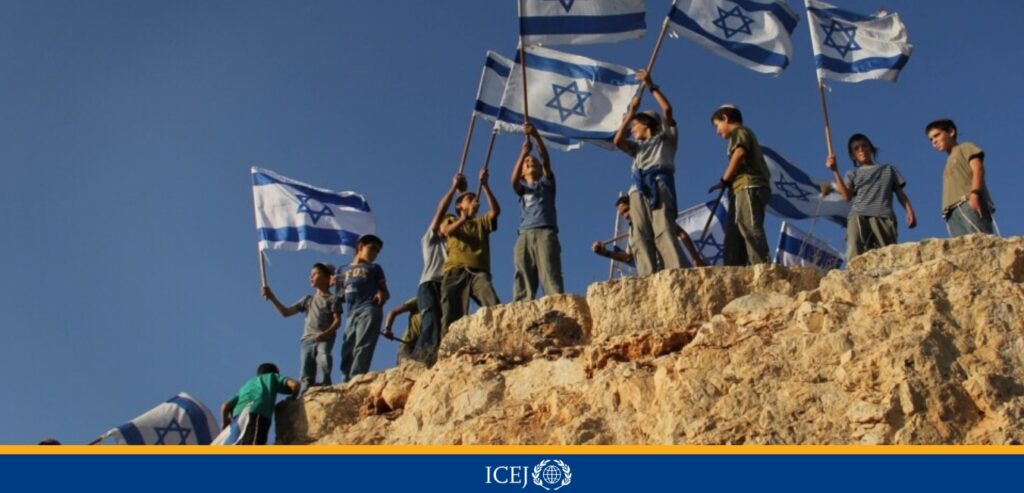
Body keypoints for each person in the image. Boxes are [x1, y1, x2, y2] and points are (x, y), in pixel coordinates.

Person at [612, 69, 687, 276]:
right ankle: (647, 274)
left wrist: (651, 84)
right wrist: (629, 115)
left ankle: (674, 271)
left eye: (635, 125)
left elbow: (668, 110)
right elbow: (617, 141)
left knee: (662, 226)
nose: (632, 129)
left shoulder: (666, 139)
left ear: (647, 125)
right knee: (640, 233)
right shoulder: (637, 148)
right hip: (638, 189)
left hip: (659, 182)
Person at [826, 134, 917, 260]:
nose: (861, 150)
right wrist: (835, 171)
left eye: (864, 146)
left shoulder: (888, 169)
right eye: (856, 148)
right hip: (858, 215)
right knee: (855, 252)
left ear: (871, 148)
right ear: (852, 155)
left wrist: (909, 211)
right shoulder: (852, 173)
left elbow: (900, 194)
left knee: (886, 255)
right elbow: (846, 196)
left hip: (883, 216)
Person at [439, 167, 501, 334]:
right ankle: (448, 348)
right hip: (455, 271)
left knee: (492, 301)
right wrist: (464, 219)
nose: (474, 201)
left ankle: (500, 332)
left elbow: (495, 211)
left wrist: (486, 186)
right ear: (459, 205)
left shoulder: (481, 223)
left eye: (475, 199)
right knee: (452, 314)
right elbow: (446, 231)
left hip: (478, 272)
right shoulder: (451, 218)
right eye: (469, 198)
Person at [262, 263, 341, 390]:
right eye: (311, 274)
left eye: (315, 274)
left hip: (325, 337)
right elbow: (286, 312)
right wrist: (272, 297)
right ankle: (306, 392)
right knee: (306, 369)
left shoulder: (332, 299)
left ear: (327, 278)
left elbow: (337, 321)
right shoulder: (308, 300)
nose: (311, 277)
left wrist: (326, 333)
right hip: (307, 339)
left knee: (324, 359)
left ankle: (325, 386)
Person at [709, 104, 771, 266]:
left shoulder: (740, 132)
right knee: (744, 226)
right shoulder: (742, 133)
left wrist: (724, 179)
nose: (717, 131)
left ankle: (763, 266)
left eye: (717, 125)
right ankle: (755, 264)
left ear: (725, 118)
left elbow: (739, 153)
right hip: (747, 187)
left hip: (748, 185)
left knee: (750, 226)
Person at [414, 173, 464, 366]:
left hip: (445, 287)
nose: (451, 224)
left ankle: (434, 359)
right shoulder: (431, 241)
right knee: (432, 322)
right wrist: (454, 189)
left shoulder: (455, 247)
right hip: (429, 285)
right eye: (448, 222)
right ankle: (419, 361)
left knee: (446, 326)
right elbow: (441, 210)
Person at [510, 122, 564, 301]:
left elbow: (546, 160)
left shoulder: (546, 184)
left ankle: (555, 302)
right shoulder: (523, 188)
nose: (530, 162)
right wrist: (523, 153)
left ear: (541, 169)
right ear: (522, 172)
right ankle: (522, 307)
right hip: (524, 233)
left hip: (545, 231)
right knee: (523, 273)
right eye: (526, 163)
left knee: (549, 271)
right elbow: (513, 181)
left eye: (534, 162)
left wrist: (536, 136)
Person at [925, 118, 996, 236]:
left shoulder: (965, 147)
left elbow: (978, 169)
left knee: (980, 241)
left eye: (937, 135)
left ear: (951, 132)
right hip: (951, 212)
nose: (934, 141)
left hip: (967, 202)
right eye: (931, 139)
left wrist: (975, 194)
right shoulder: (947, 162)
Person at [592, 196, 706, 268]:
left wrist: (696, 258)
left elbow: (681, 233)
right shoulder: (632, 232)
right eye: (622, 214)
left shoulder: (655, 218)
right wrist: (605, 253)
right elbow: (628, 257)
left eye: (627, 210)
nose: (626, 216)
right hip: (656, 276)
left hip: (675, 267)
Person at [336, 234, 389, 381]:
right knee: (347, 347)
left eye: (378, 251)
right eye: (372, 249)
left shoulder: (374, 268)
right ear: (360, 247)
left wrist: (381, 292)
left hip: (369, 308)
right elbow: (340, 298)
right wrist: (332, 284)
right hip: (351, 313)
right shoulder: (341, 270)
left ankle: (357, 377)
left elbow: (385, 292)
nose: (375, 254)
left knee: (363, 345)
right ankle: (345, 378)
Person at [220, 362, 300, 445]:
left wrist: (225, 422)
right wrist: (292, 398)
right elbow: (295, 385)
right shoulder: (272, 377)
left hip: (237, 420)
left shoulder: (246, 386)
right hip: (256, 414)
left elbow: (225, 406)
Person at [384, 297, 421, 364]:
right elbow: (393, 312)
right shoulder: (421, 298)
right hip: (407, 345)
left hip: (422, 346)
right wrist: (387, 329)